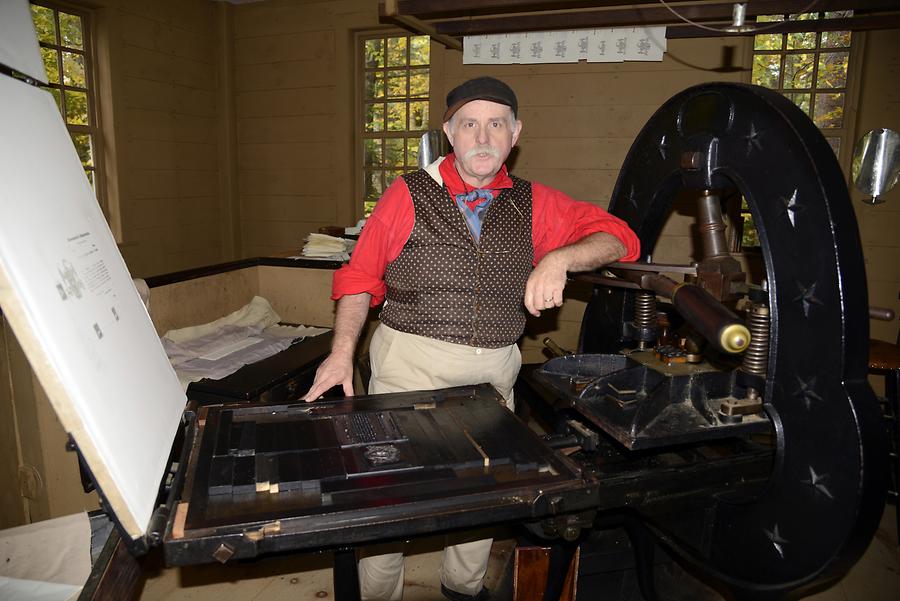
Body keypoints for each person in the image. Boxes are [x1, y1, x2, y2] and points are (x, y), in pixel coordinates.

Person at [303, 76, 640, 601]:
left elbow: (621, 237)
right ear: (449, 133)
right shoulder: (407, 193)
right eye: (469, 124)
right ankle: (377, 595)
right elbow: (359, 277)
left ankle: (462, 588)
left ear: (515, 133)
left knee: (484, 488)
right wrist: (341, 354)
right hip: (409, 367)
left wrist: (559, 257)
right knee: (391, 494)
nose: (483, 136)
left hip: (494, 372)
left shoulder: (536, 203)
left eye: (496, 124)